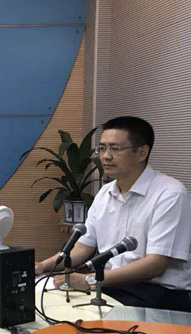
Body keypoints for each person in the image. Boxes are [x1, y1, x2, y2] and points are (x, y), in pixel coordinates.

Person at [35, 116, 191, 312]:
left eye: (115, 149)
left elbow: (155, 265)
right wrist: (42, 266)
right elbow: (82, 248)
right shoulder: (105, 192)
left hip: (157, 296)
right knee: (50, 307)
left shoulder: (170, 194)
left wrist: (90, 280)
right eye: (102, 148)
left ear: (142, 152)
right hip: (111, 287)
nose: (105, 156)